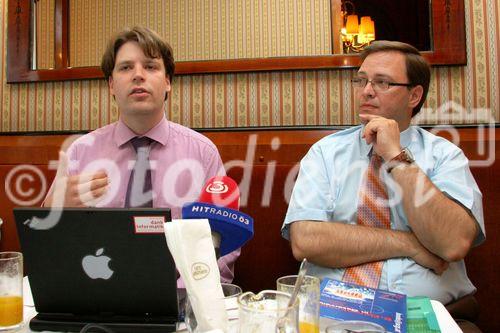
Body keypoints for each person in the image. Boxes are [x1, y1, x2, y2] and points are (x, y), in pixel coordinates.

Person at [282, 41, 484, 332]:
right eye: (361, 80)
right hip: (330, 317)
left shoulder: (445, 156)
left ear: (414, 95)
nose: (366, 90)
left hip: (423, 318)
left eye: (383, 82)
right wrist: (410, 244)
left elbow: (453, 243)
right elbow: (305, 240)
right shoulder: (325, 153)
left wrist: (395, 157)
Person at [44, 26, 238, 284]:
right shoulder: (81, 152)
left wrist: (183, 295)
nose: (138, 75)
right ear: (112, 85)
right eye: (125, 68)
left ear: (167, 81)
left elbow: (223, 245)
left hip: (184, 300)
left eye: (150, 66)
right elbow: (47, 247)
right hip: (97, 299)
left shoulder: (202, 153)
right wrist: (55, 209)